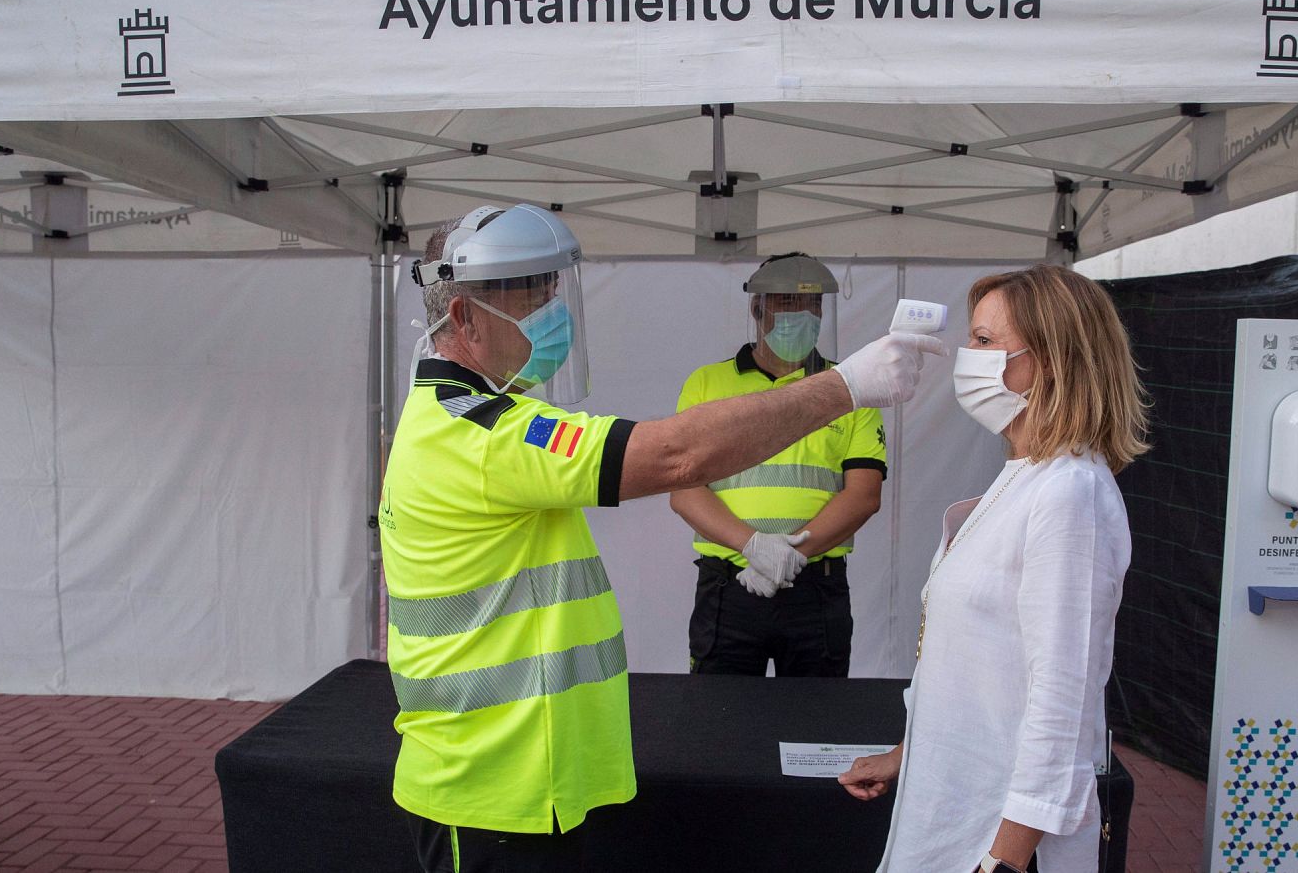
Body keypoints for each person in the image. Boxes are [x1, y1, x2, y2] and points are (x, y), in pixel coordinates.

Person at [378, 204, 944, 873]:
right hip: (489, 789)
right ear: (466, 317)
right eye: (533, 298)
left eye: (555, 293)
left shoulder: (484, 418)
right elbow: (672, 457)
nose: (551, 313)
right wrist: (845, 386)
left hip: (521, 778)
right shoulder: (478, 435)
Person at [838, 264, 1150, 873]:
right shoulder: (1026, 477)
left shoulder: (1068, 493)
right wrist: (910, 750)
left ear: (1052, 361)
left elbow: (1063, 699)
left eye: (983, 341)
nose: (966, 356)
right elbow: (982, 666)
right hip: (956, 815)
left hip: (996, 842)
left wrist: (1003, 861)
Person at [670, 253, 885, 677]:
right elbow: (684, 489)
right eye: (786, 302)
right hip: (730, 583)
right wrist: (754, 546)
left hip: (815, 589)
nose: (802, 314)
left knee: (817, 728)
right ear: (757, 308)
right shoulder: (707, 383)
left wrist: (789, 557)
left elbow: (863, 495)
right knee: (717, 723)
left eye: (813, 304)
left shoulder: (850, 389)